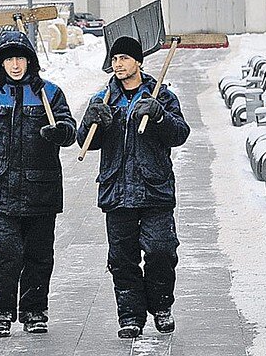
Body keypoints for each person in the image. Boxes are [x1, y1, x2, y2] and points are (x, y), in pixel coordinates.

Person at [0, 31, 77, 338]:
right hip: (1, 190)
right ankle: (0, 311)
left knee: (39, 254)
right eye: (9, 59)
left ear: (30, 61)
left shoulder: (49, 93)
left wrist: (61, 132)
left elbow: (70, 130)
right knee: (3, 250)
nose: (15, 65)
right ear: (1, 63)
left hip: (41, 189)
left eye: (20, 58)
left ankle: (34, 310)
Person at [77, 36, 190, 339]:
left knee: (161, 250)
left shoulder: (159, 96)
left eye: (125, 58)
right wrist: (90, 122)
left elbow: (180, 133)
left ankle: (162, 306)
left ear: (138, 62)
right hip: (117, 191)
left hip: (155, 189)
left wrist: (159, 117)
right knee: (122, 258)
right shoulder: (103, 100)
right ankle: (130, 316)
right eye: (114, 60)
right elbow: (86, 141)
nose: (118, 64)